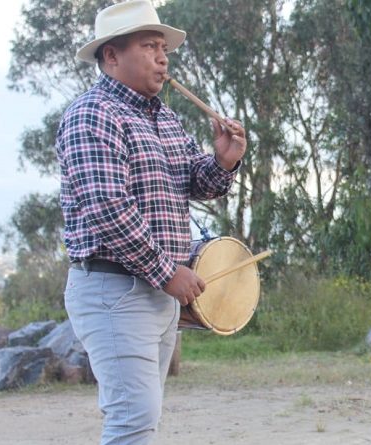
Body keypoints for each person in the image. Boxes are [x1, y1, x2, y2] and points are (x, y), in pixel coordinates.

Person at [56, 1, 246, 443]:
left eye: (164, 47)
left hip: (157, 291)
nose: (163, 57)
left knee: (141, 416)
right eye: (149, 45)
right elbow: (107, 208)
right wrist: (167, 272)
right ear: (111, 56)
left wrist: (223, 160)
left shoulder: (163, 116)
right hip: (115, 289)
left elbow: (193, 183)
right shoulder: (93, 114)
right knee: (133, 418)